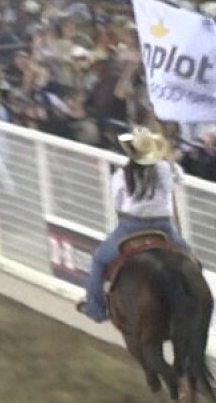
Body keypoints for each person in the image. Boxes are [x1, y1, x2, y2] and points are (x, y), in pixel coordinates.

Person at [77, 127, 184, 324]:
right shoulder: (164, 168)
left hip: (131, 226)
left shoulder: (121, 175)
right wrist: (168, 159)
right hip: (163, 227)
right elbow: (180, 179)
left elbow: (117, 203)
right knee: (189, 258)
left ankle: (95, 309)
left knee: (99, 260)